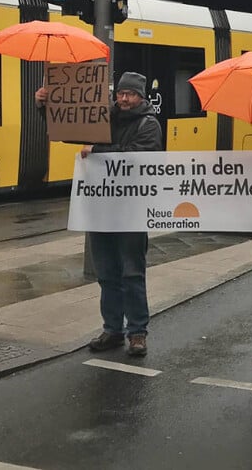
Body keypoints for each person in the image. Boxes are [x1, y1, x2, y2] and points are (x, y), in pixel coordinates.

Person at [35, 72, 163, 357]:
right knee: (106, 273)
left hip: (131, 211)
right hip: (100, 210)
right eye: (121, 94)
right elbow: (67, 129)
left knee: (132, 273)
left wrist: (98, 149)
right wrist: (45, 106)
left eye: (130, 94)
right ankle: (113, 329)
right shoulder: (102, 119)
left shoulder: (149, 124)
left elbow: (137, 157)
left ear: (141, 97)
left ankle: (137, 333)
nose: (124, 99)